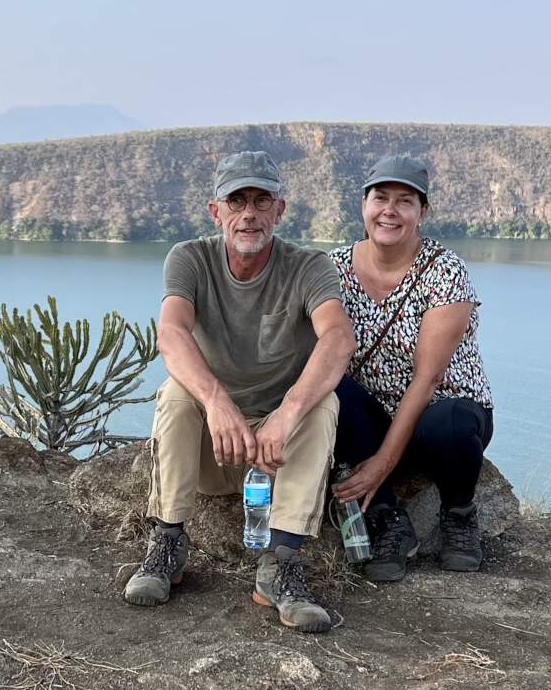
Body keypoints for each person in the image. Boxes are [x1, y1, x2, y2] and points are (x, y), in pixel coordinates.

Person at [124, 150, 355, 633]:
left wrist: (288, 411)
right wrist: (216, 401)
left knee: (323, 403)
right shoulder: (190, 258)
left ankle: (283, 566)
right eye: (236, 201)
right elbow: (170, 333)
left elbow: (337, 337)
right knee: (175, 393)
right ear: (216, 212)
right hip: (215, 446)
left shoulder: (308, 267)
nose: (248, 213)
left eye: (261, 200)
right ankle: (167, 543)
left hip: (276, 458)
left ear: (280, 210)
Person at [329, 155, 494, 583]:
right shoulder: (332, 269)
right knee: (332, 391)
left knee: (449, 421)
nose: (390, 210)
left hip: (440, 411)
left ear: (423, 212)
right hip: (369, 417)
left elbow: (429, 377)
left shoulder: (445, 271)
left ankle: (458, 514)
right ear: (363, 204)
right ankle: (388, 520)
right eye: (380, 197)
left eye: (405, 201)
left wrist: (384, 460)